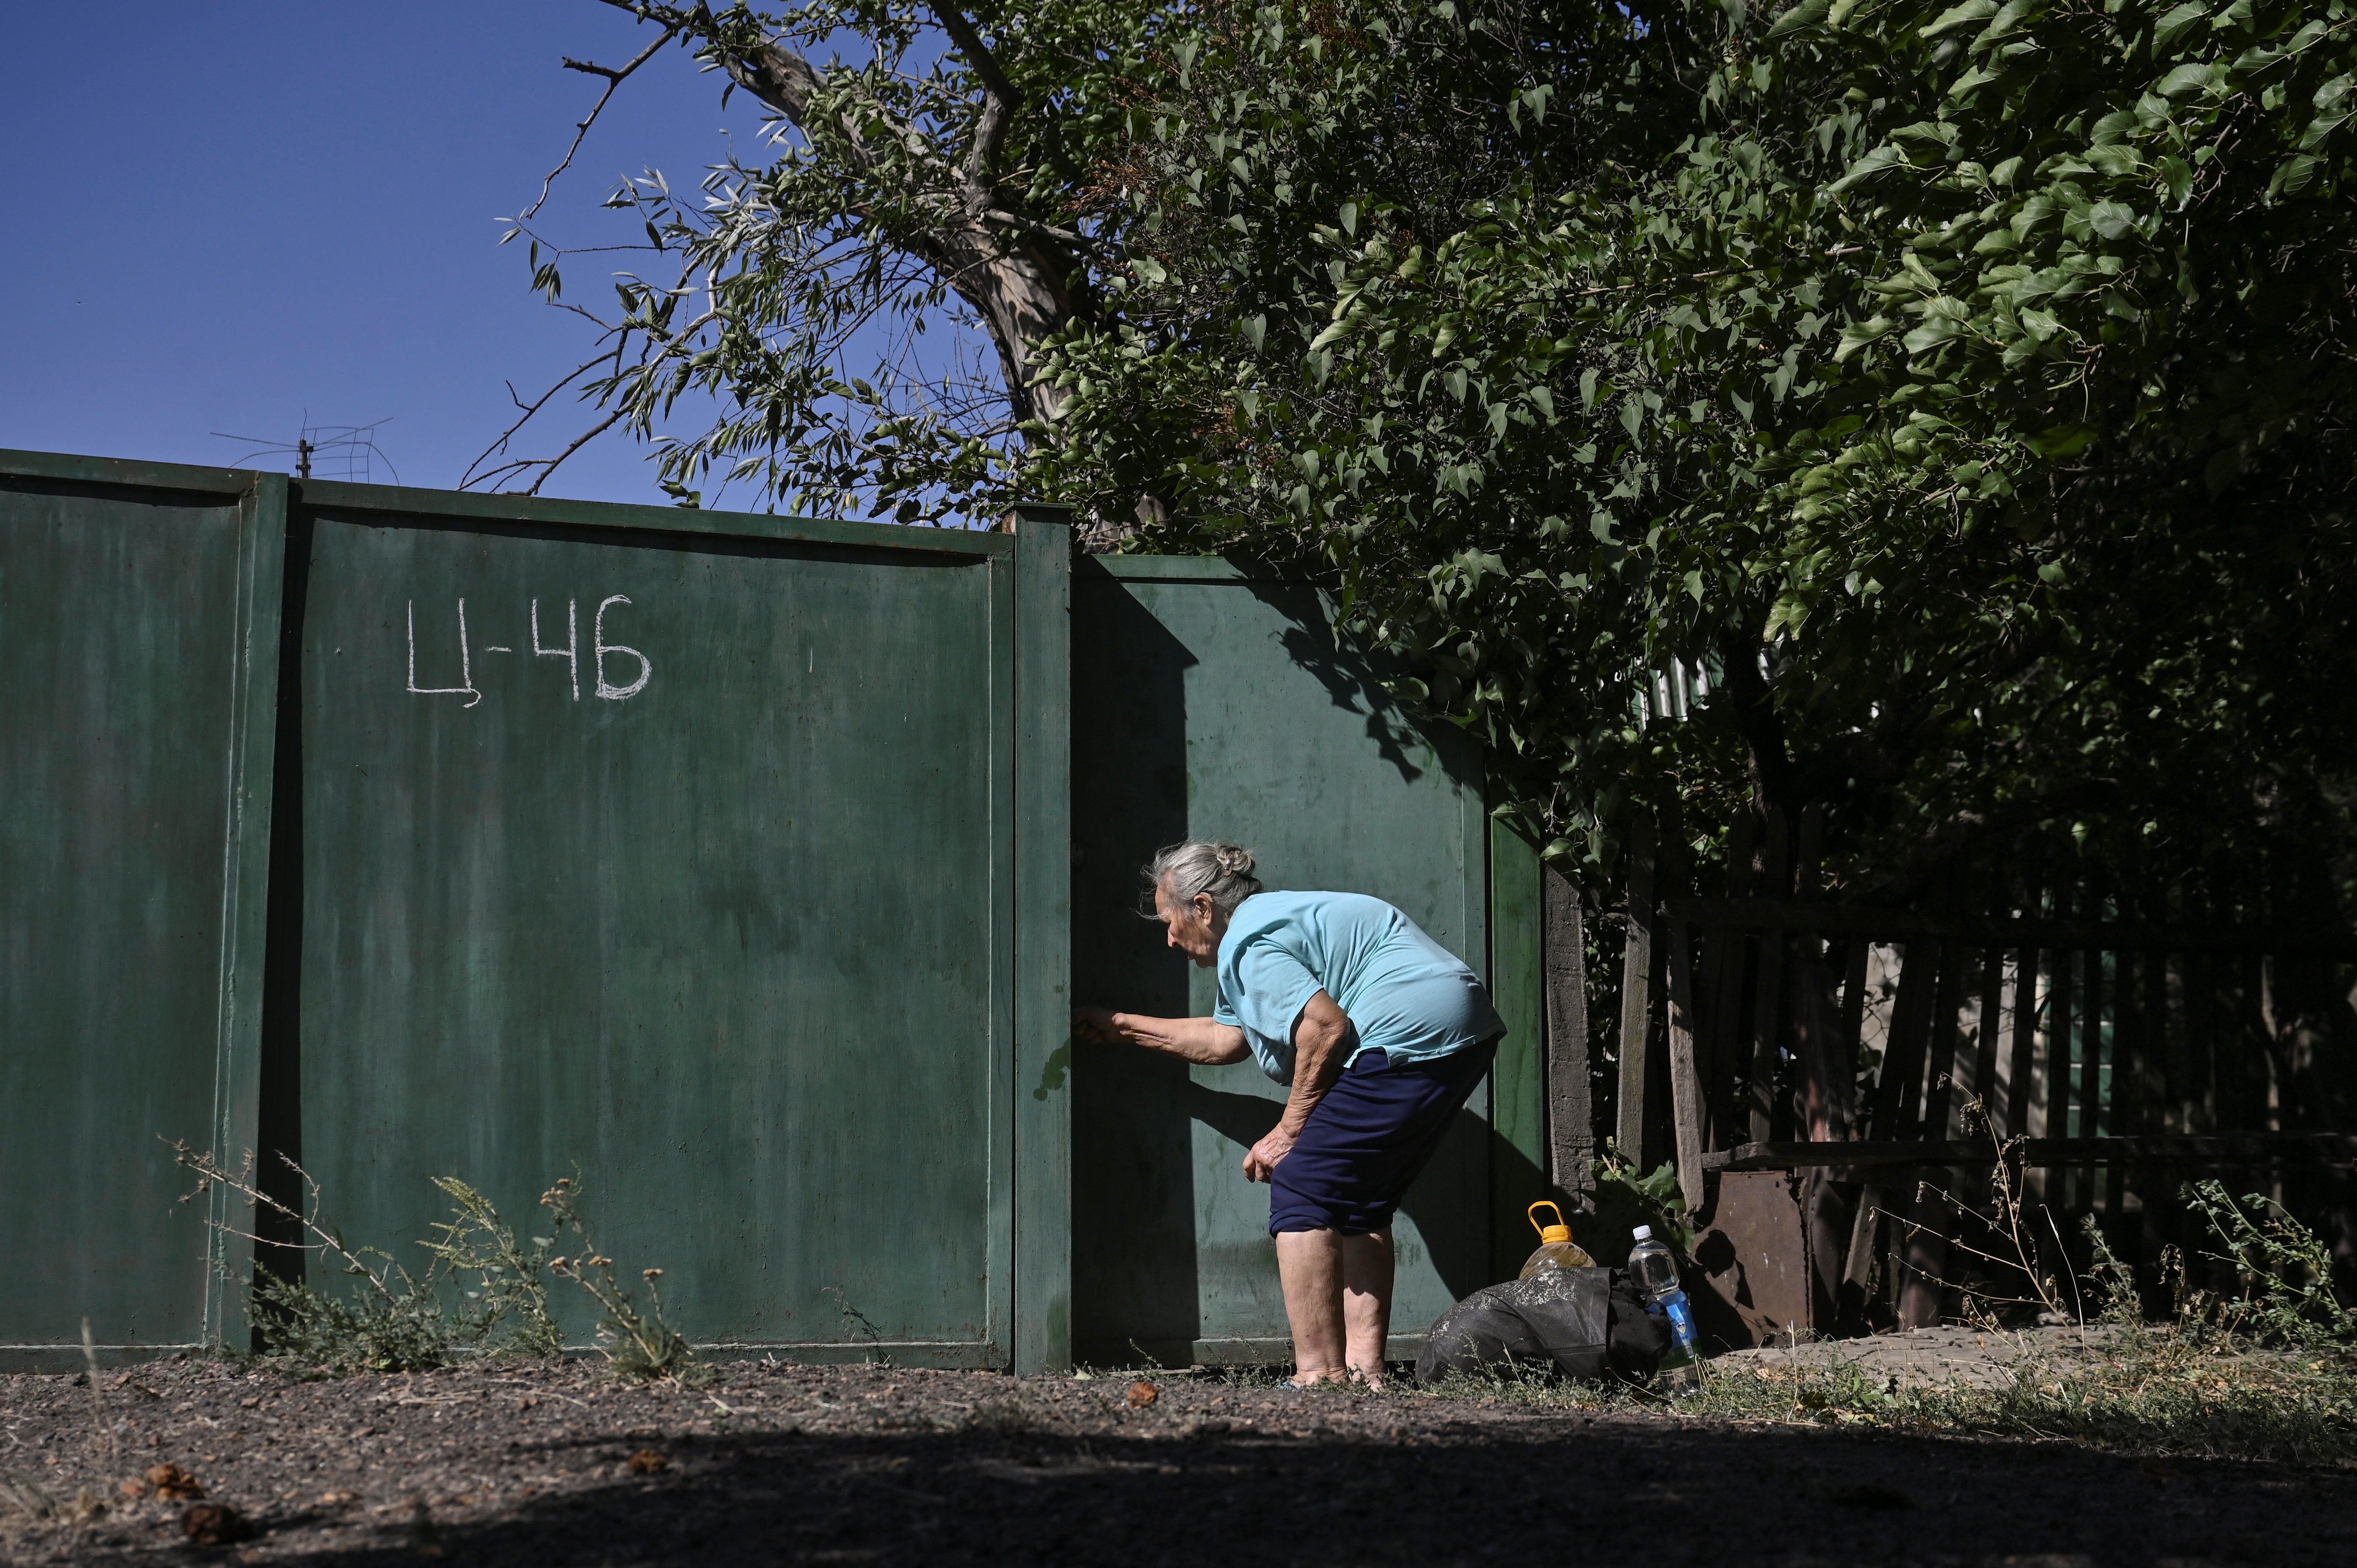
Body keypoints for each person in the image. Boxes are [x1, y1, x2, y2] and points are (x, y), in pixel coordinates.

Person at [1073, 839, 1503, 1388]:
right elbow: (1227, 1039)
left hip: (1405, 1028)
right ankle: (1363, 1371)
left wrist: (1288, 1129)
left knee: (1301, 1185)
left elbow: (1325, 1027)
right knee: (1358, 1199)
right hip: (1459, 1031)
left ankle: (1319, 1375)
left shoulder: (1248, 942)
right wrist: (1122, 1026)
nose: (1169, 936)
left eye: (1170, 919)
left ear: (1202, 908)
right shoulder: (1263, 930)